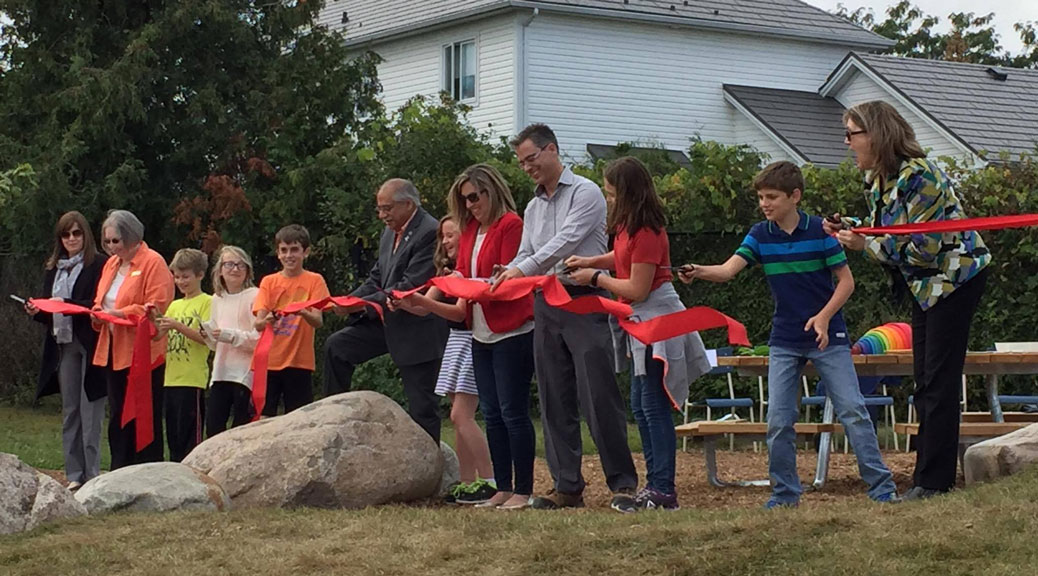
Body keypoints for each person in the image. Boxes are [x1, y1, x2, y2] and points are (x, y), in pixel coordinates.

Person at [680, 160, 899, 508]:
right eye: (761, 197)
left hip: (829, 338)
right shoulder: (759, 234)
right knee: (779, 421)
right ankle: (784, 494)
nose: (764, 203)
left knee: (853, 412)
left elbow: (847, 282)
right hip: (784, 339)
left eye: (772, 196)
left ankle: (882, 488)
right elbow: (726, 271)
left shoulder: (819, 233)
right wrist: (698, 271)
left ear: (794, 196)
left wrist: (825, 318)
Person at [826, 100, 991, 500]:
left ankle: (933, 482)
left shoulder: (921, 176)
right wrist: (853, 230)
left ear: (876, 135)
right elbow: (892, 231)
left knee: (938, 380)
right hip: (924, 286)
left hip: (954, 279)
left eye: (852, 134)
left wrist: (865, 247)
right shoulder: (879, 178)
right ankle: (926, 479)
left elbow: (922, 248)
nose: (847, 143)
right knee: (926, 380)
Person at [492, 124, 638, 512]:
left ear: (552, 149)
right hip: (546, 303)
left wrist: (522, 271)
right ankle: (567, 486)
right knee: (554, 397)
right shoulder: (533, 206)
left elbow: (566, 242)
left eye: (531, 159)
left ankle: (623, 484)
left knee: (598, 395)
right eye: (521, 163)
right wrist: (503, 273)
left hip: (585, 300)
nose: (527, 168)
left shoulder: (587, 192)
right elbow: (527, 251)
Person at [566, 157, 712, 511]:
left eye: (612, 193)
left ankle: (663, 489)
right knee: (641, 405)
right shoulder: (629, 228)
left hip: (656, 319)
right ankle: (654, 484)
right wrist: (590, 262)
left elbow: (637, 287)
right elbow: (621, 258)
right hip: (640, 323)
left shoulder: (647, 231)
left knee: (653, 406)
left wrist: (595, 280)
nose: (609, 199)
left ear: (628, 193)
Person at [399, 165, 536, 510]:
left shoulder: (510, 225)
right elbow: (464, 275)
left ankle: (523, 489)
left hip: (511, 329)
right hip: (480, 331)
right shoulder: (472, 229)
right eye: (466, 199)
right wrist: (431, 293)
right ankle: (502, 487)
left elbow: (504, 277)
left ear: (492, 190)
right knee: (491, 412)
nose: (472, 205)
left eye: (476, 196)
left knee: (512, 411)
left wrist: (455, 288)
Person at [323, 179, 448, 441]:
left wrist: (360, 305)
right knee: (337, 347)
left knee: (422, 407)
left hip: (416, 328)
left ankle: (431, 471)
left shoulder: (430, 231)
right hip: (385, 319)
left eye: (387, 208)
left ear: (408, 204)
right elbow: (377, 278)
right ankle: (332, 424)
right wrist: (348, 301)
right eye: (379, 209)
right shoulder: (389, 232)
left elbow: (409, 286)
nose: (382, 215)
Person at [396, 214, 496, 505]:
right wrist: (404, 302)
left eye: (451, 235)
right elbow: (424, 308)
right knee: (457, 414)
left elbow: (457, 312)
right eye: (443, 236)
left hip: (470, 340)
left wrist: (423, 301)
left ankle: (490, 479)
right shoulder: (448, 273)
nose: (446, 241)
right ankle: (466, 482)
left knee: (460, 415)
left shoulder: (466, 274)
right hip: (455, 342)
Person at [26, 211, 107, 490]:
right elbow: (48, 307)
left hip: (90, 340)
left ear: (86, 235)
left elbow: (96, 302)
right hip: (63, 342)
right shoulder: (54, 267)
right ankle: (74, 474)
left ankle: (92, 473)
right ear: (59, 238)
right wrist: (37, 310)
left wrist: (66, 302)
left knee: (91, 410)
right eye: (66, 234)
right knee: (70, 409)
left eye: (76, 233)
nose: (71, 239)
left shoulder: (98, 264)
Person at [92, 209, 175, 468]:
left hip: (143, 353)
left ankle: (147, 467)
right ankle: (119, 466)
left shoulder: (153, 262)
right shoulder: (111, 264)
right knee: (118, 413)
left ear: (131, 237)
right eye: (107, 242)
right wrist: (96, 314)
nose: (111, 247)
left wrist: (120, 313)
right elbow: (101, 300)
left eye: (115, 241)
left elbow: (157, 305)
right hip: (113, 350)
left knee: (143, 412)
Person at [252, 224, 330, 416]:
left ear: (306, 252)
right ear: (278, 253)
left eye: (294, 250)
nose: (289, 256)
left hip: (299, 361)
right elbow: (258, 324)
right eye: (284, 250)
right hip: (269, 360)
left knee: (298, 418)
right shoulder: (269, 282)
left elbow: (318, 321)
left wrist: (303, 312)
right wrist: (268, 319)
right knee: (264, 416)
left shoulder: (315, 280)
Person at [156, 248, 212, 461]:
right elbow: (158, 335)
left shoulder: (207, 302)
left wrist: (177, 326)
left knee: (191, 436)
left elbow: (205, 337)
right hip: (171, 378)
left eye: (185, 276)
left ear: (200, 275)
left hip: (193, 379)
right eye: (177, 276)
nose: (181, 281)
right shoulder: (174, 305)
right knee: (174, 434)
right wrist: (154, 321)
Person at [204, 245, 260, 435]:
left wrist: (230, 335)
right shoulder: (216, 299)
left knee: (241, 430)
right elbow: (214, 345)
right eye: (229, 264)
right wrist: (208, 336)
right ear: (220, 270)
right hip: (221, 372)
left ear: (247, 270)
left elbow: (258, 339)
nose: (235, 269)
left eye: (240, 265)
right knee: (213, 427)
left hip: (245, 374)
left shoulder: (255, 295)